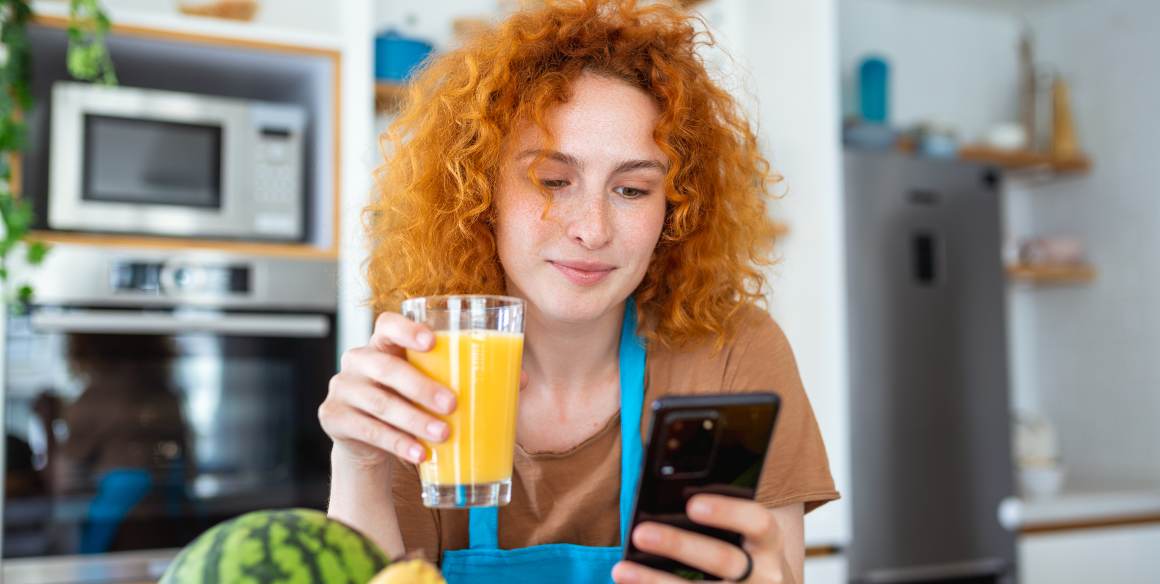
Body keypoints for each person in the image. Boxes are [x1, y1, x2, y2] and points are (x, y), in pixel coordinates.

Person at [321, 1, 838, 582]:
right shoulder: (428, 361)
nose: (591, 229)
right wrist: (359, 461)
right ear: (478, 191)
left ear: (675, 208)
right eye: (553, 181)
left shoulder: (730, 350)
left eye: (633, 190)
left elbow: (776, 568)